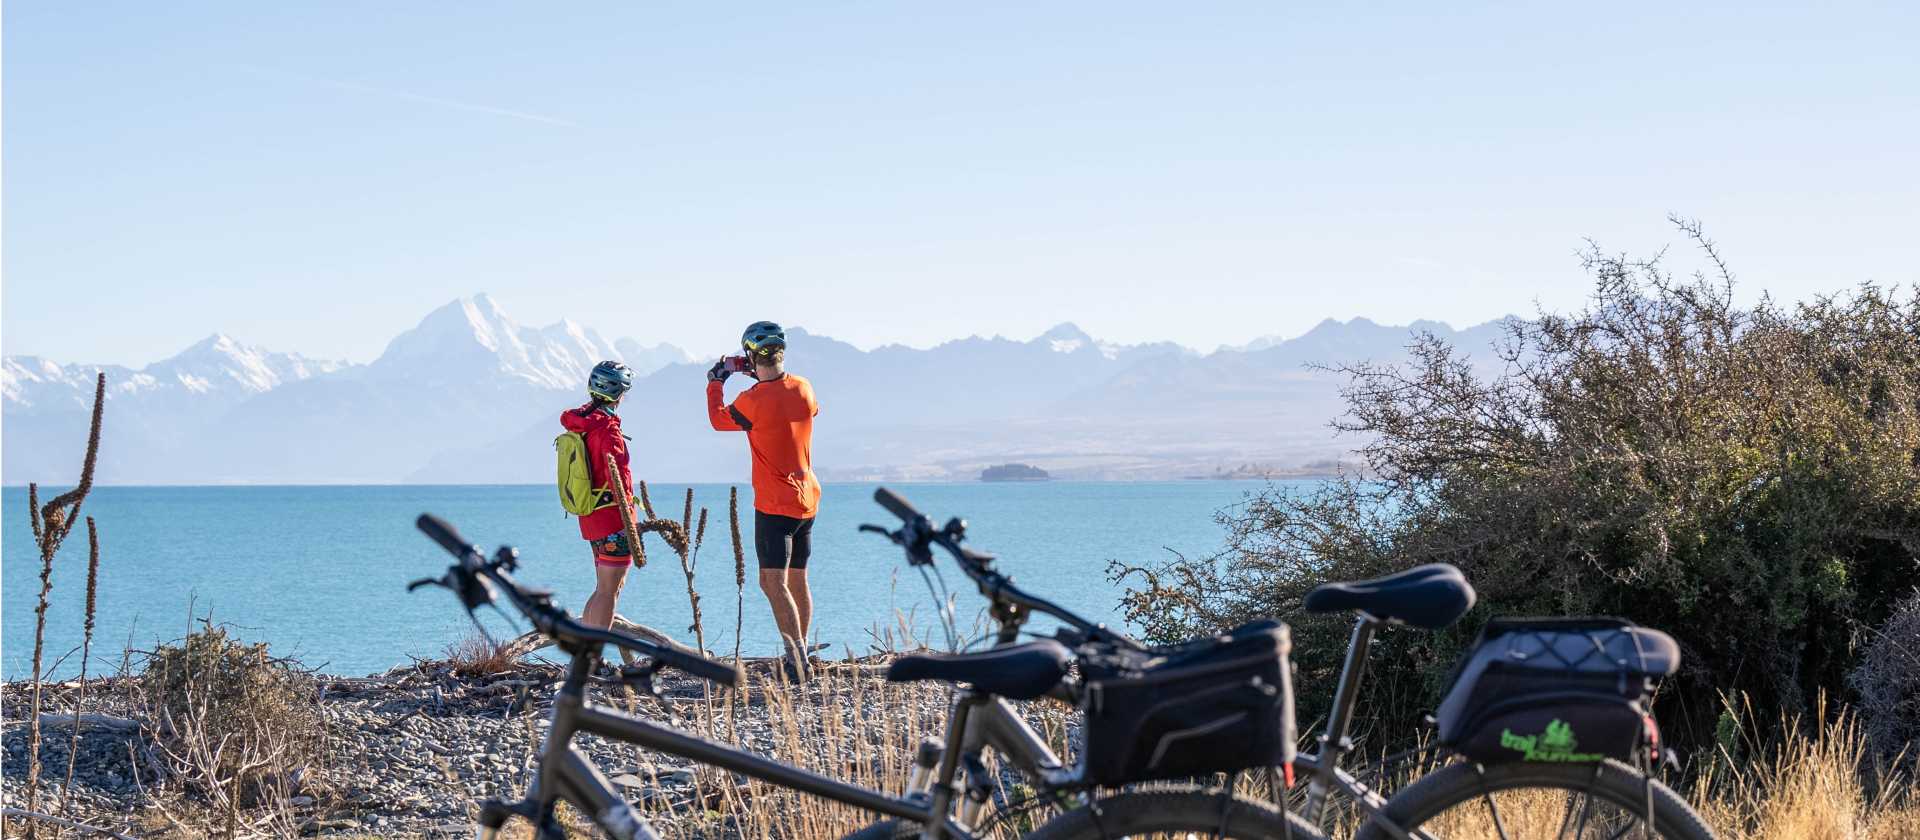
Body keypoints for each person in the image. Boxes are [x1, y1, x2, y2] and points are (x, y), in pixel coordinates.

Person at [706, 321, 821, 677]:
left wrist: (717, 380)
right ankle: (801, 654)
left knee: (772, 582)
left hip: (774, 504)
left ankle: (797, 659)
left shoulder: (751, 401)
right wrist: (759, 375)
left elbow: (718, 420)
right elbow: (798, 407)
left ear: (752, 356)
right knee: (798, 579)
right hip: (807, 500)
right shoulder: (804, 388)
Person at [562, 360, 639, 630]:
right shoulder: (607, 430)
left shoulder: (580, 424)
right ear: (620, 394)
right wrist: (631, 516)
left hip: (591, 515)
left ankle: (585, 652)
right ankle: (592, 657)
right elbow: (619, 481)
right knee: (609, 591)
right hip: (613, 519)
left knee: (601, 587)